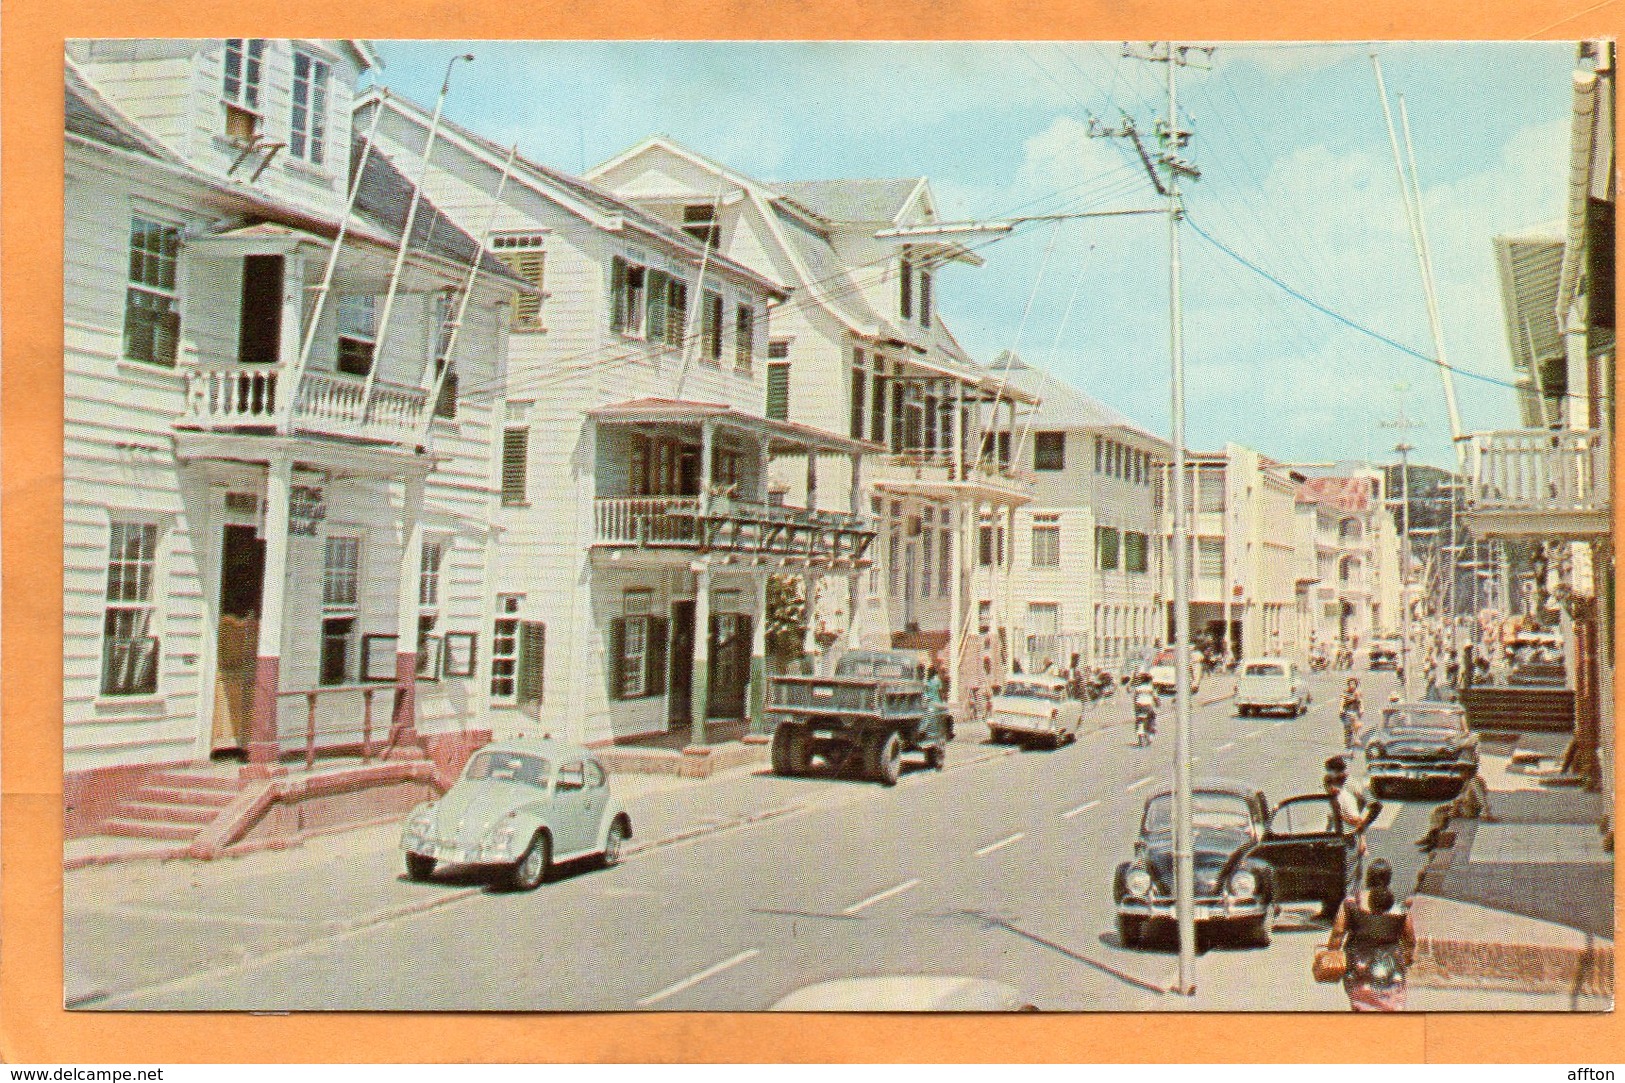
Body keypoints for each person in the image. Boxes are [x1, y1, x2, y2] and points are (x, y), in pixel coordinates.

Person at [1325, 859, 1416, 1011]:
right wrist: (1406, 959)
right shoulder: (1400, 907)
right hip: (1392, 972)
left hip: (1359, 971)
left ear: (1367, 878)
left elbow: (1338, 933)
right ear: (1389, 879)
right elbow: (1410, 940)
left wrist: (1332, 953)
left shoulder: (1351, 903)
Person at [1416, 767, 1495, 850]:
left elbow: (1481, 798)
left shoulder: (1475, 782)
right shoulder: (1469, 781)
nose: (1460, 774)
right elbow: (1461, 796)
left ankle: (1433, 842)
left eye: (1462, 772)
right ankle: (1430, 836)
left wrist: (1487, 813)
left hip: (1468, 810)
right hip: (1462, 807)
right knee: (1438, 810)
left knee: (1442, 816)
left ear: (1467, 771)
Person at [1340, 679, 1363, 748]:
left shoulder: (1357, 693)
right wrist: (1341, 709)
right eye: (1351, 684)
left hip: (1355, 712)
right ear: (1348, 685)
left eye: (1354, 684)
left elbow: (1360, 702)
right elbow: (1342, 702)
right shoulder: (1345, 693)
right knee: (1347, 727)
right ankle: (1347, 742)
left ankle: (1356, 739)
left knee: (1356, 726)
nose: (1352, 686)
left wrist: (1362, 709)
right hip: (1347, 712)